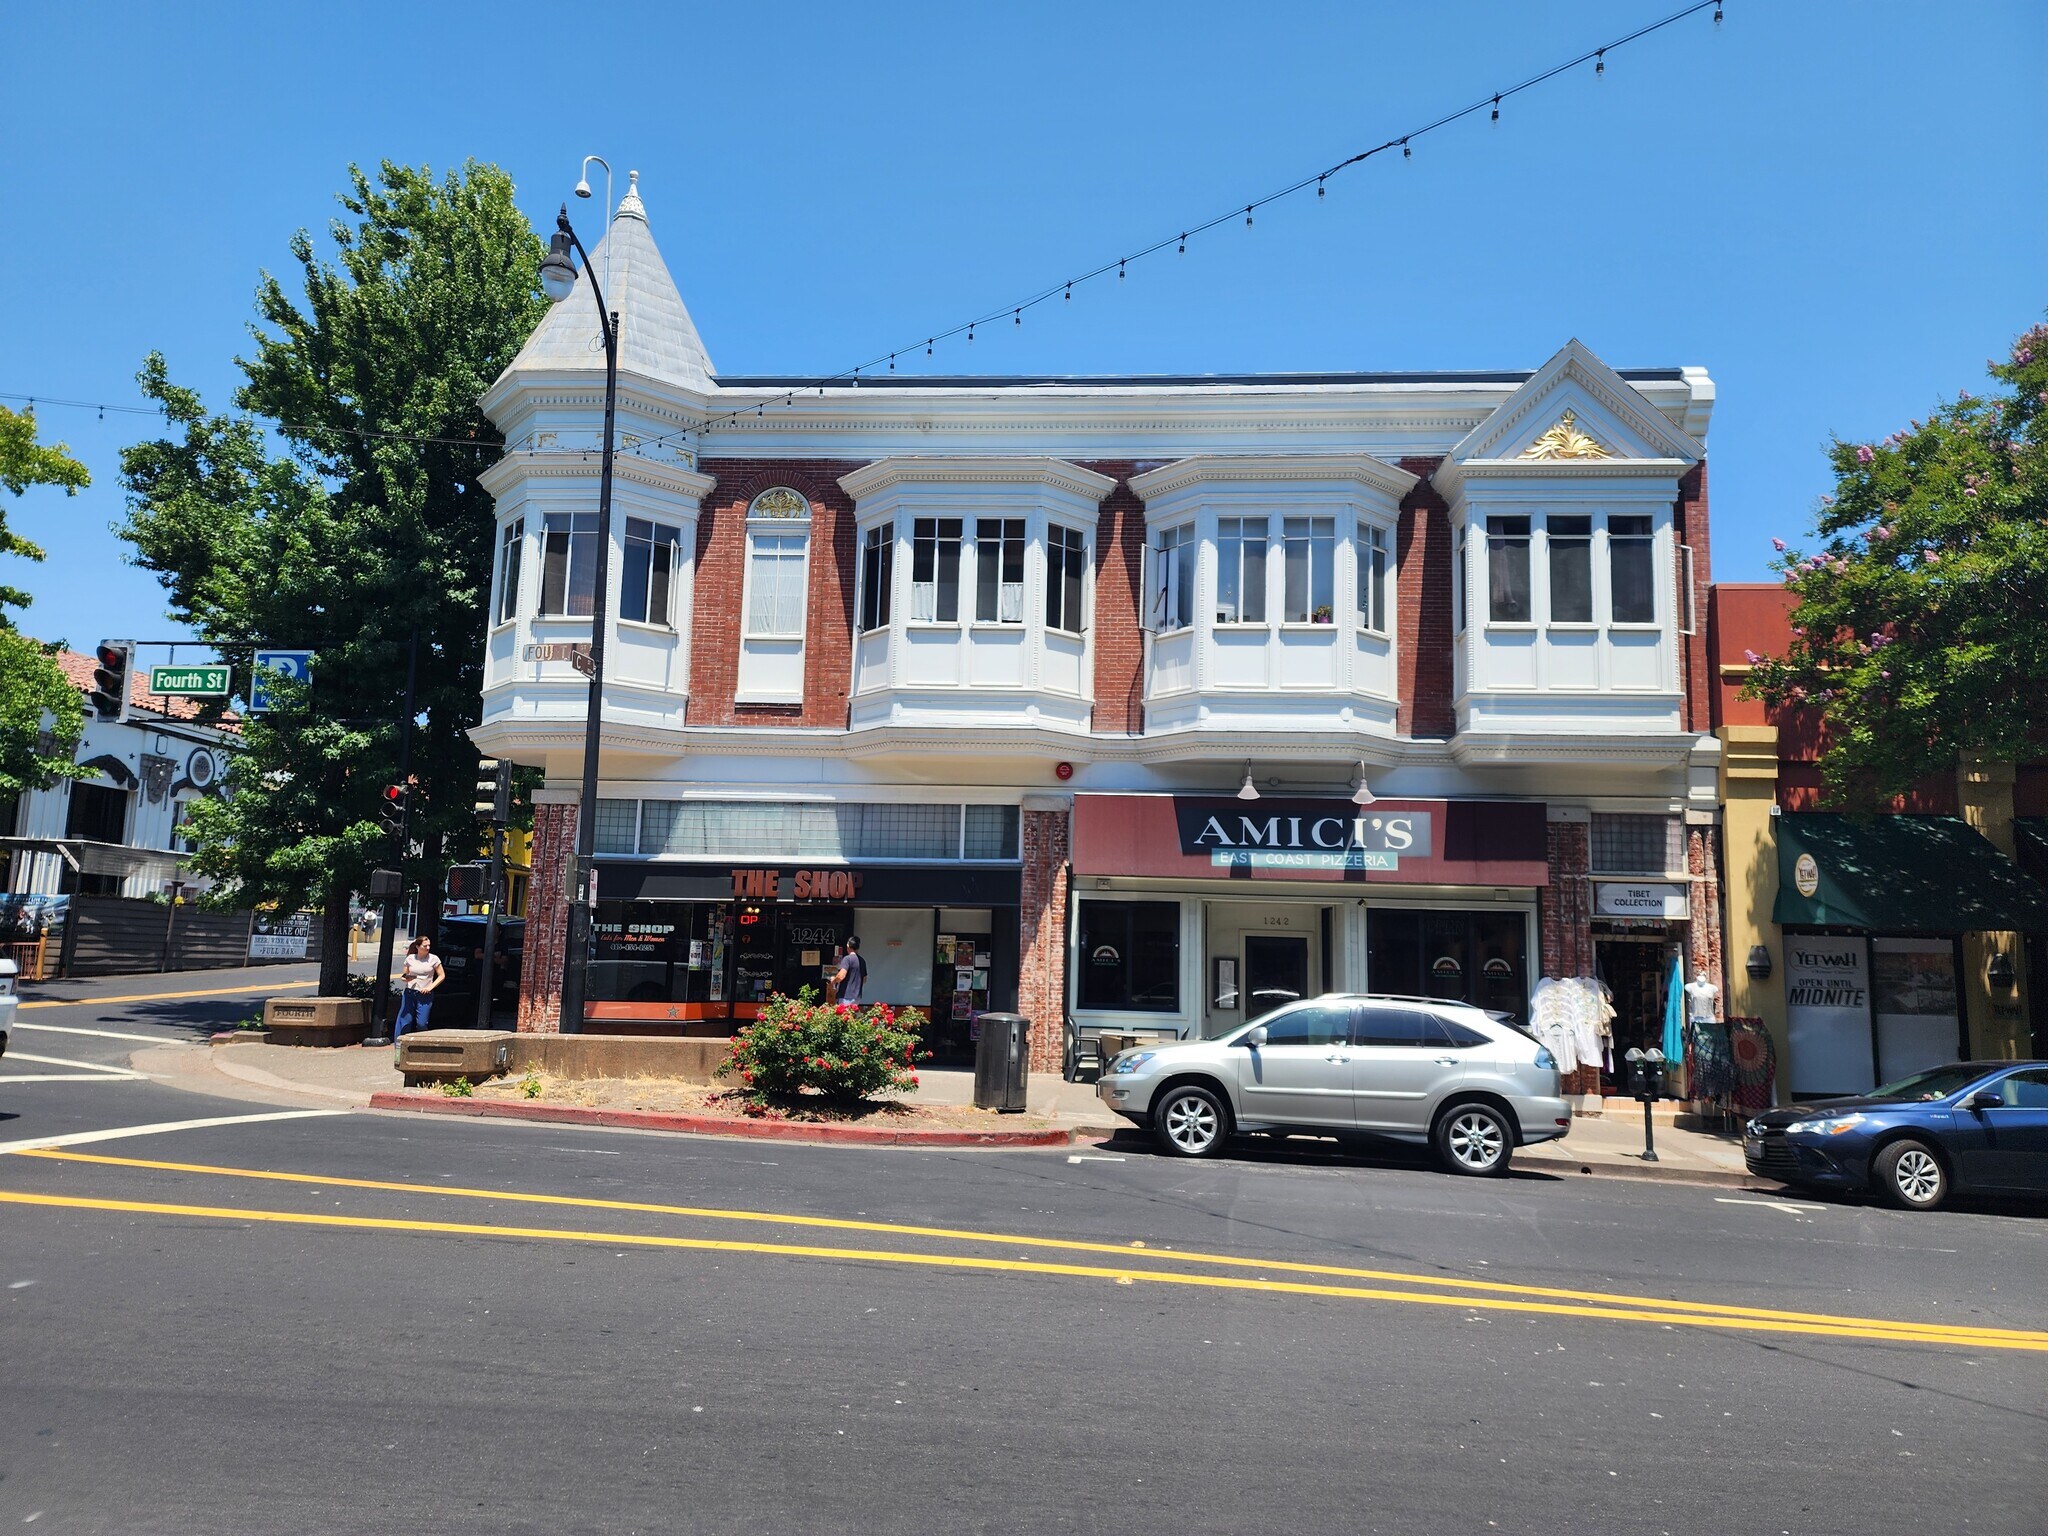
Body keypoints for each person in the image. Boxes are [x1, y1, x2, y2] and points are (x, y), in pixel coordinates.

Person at [394, 935, 444, 1040]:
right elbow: (404, 975)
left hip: (425, 994)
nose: (428, 948)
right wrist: (406, 979)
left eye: (429, 946)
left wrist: (430, 987)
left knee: (422, 1023)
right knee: (405, 1020)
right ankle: (399, 1044)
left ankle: (421, 1045)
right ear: (417, 946)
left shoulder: (433, 959)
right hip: (410, 992)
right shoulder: (410, 958)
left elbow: (441, 976)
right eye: (425, 946)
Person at [831, 935, 866, 1006]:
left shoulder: (847, 959)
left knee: (844, 1016)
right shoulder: (862, 961)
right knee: (851, 1016)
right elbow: (864, 979)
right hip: (857, 997)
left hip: (846, 996)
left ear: (848, 945)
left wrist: (833, 980)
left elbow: (841, 976)